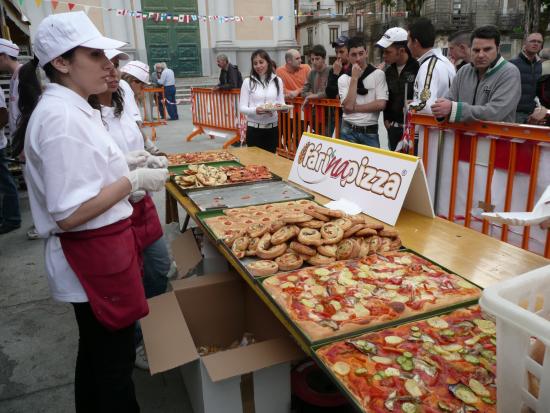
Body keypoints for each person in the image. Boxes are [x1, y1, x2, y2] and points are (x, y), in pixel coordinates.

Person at [15, 11, 168, 411]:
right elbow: (70, 212)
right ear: (62, 63)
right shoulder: (62, 118)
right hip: (90, 254)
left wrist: (126, 163)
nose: (108, 65)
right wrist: (131, 182)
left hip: (101, 252)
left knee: (99, 358)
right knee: (113, 367)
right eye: (95, 55)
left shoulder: (75, 108)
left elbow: (87, 173)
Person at [90, 49, 172, 369]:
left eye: (116, 67)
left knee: (159, 265)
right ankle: (138, 337)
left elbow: (133, 130)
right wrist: (133, 176)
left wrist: (148, 151)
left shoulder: (122, 94)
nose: (113, 73)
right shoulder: (83, 110)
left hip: (140, 202)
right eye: (105, 66)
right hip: (114, 207)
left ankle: (148, 321)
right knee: (130, 279)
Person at [432, 26, 521, 123]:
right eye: (476, 50)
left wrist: (454, 109)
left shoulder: (509, 72)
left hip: (495, 137)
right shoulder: (463, 71)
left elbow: (495, 113)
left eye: (487, 49)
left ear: (498, 49)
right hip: (462, 136)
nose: (481, 55)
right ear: (470, 50)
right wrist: (441, 109)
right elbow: (450, 99)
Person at [337, 36, 388, 148]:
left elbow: (380, 104)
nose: (358, 58)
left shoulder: (378, 74)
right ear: (348, 56)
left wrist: (355, 108)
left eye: (361, 53)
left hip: (370, 131)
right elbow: (348, 106)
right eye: (354, 55)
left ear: (366, 52)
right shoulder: (343, 78)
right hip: (348, 130)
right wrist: (354, 78)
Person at [376, 27, 419, 151]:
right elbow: (387, 95)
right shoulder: (388, 71)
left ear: (401, 50)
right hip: (393, 129)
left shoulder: (418, 68)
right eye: (383, 52)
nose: (384, 56)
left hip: (412, 130)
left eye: (387, 52)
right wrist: (386, 118)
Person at [239, 49, 284, 153]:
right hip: (254, 129)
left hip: (272, 128)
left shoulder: (278, 80)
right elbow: (242, 108)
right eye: (255, 63)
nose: (258, 66)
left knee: (271, 163)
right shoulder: (247, 82)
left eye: (261, 62)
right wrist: (256, 110)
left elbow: (281, 102)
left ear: (268, 62)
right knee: (255, 164)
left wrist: (283, 108)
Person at [0, 38, 22, 234]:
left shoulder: (23, 75)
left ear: (4, 56)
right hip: (20, 141)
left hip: (24, 142)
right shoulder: (15, 76)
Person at [120, 60, 162, 156]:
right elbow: (136, 124)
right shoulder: (125, 87)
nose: (143, 87)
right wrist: (152, 148)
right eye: (141, 84)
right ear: (131, 80)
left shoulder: (122, 88)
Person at [510, 32, 544, 124]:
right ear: (525, 43)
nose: (536, 43)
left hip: (534, 113)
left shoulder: (540, 65)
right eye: (533, 41)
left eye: (539, 42)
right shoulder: (513, 63)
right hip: (515, 113)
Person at [301, 44, 330, 133]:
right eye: (312, 59)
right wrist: (312, 95)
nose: (314, 62)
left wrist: (310, 96)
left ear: (324, 58)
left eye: (317, 59)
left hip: (328, 112)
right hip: (315, 112)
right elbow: (303, 92)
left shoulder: (331, 71)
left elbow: (328, 92)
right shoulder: (311, 73)